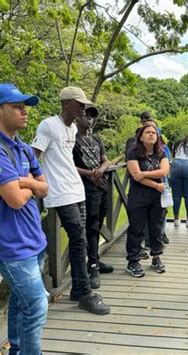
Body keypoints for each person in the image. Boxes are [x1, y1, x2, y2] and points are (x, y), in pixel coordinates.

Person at [0, 83, 48, 353]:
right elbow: (15, 200)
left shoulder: (24, 148)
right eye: (17, 106)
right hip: (12, 246)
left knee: (21, 301)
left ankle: (17, 349)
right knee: (38, 305)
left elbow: (45, 187)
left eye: (24, 106)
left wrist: (23, 182)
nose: (24, 112)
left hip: (35, 240)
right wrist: (29, 185)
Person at [32, 86, 110, 315]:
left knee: (82, 240)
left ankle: (78, 288)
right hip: (59, 193)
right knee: (78, 239)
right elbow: (33, 156)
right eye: (80, 104)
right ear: (66, 103)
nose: (84, 108)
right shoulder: (48, 125)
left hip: (77, 190)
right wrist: (36, 184)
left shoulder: (73, 128)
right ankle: (84, 292)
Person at [73, 105, 114, 290]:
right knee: (90, 225)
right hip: (86, 189)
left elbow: (106, 159)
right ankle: (92, 266)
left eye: (92, 116)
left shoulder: (96, 139)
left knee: (99, 224)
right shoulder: (72, 140)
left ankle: (95, 257)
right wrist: (89, 172)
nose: (89, 119)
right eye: (86, 115)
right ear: (77, 117)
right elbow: (68, 165)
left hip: (102, 185)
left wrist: (101, 169)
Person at [125, 124, 170, 277]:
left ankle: (156, 257)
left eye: (154, 133)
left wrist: (143, 174)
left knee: (156, 227)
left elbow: (164, 171)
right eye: (148, 132)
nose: (151, 135)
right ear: (141, 136)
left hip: (157, 198)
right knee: (136, 229)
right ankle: (133, 261)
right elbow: (134, 175)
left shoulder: (161, 152)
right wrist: (156, 184)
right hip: (138, 195)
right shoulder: (133, 152)